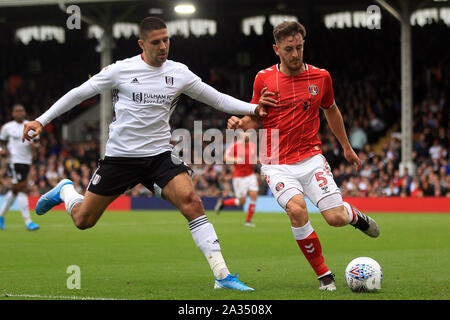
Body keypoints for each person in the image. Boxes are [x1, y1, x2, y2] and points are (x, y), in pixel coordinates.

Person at [22, 17, 269, 291]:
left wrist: (252, 108)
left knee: (192, 202)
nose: (163, 46)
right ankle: (66, 191)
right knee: (83, 221)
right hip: (120, 158)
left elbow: (217, 98)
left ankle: (222, 275)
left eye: (166, 40)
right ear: (142, 44)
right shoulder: (120, 70)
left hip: (158, 156)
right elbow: (78, 94)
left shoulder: (179, 73)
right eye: (156, 42)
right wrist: (41, 121)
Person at [227, 21, 379, 291]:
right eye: (288, 49)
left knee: (335, 219)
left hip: (311, 159)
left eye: (299, 47)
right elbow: (256, 118)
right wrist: (241, 123)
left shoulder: (321, 77)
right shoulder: (264, 78)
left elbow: (331, 109)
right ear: (277, 49)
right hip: (276, 164)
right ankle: (325, 276)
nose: (295, 54)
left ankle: (354, 216)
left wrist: (346, 146)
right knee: (297, 210)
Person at [0, 104, 40, 231]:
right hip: (14, 161)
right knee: (22, 189)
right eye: (16, 111)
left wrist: (35, 147)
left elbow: (37, 144)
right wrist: (2, 151)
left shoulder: (31, 125)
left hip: (26, 161)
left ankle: (0, 216)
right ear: (13, 114)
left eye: (21, 111)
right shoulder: (7, 127)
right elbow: (2, 143)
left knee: (15, 190)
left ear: (24, 112)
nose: (19, 113)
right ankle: (29, 222)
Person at [214, 132, 259, 227]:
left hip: (250, 175)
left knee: (254, 195)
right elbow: (225, 158)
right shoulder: (235, 146)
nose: (247, 135)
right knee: (242, 201)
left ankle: (248, 221)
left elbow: (254, 159)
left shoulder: (253, 146)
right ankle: (223, 203)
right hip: (239, 177)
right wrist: (235, 159)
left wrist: (259, 160)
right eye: (245, 133)